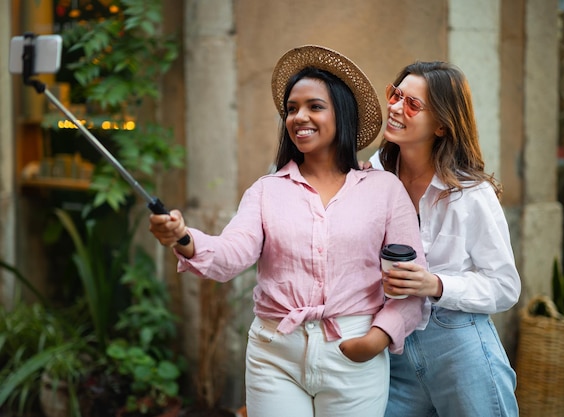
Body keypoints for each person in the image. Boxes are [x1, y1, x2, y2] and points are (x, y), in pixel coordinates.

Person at [149, 45, 429, 417]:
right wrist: (184, 239)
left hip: (354, 352)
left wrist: (377, 339)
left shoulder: (384, 190)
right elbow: (230, 256)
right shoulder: (266, 190)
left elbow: (411, 282)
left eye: (314, 106)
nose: (299, 117)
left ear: (341, 114)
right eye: (291, 109)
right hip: (274, 353)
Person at [368, 61, 521, 417]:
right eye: (395, 94)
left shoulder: (470, 193)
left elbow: (504, 286)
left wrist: (435, 284)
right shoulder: (373, 175)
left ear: (441, 124)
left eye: (412, 104)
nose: (394, 107)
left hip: (459, 346)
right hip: (395, 350)